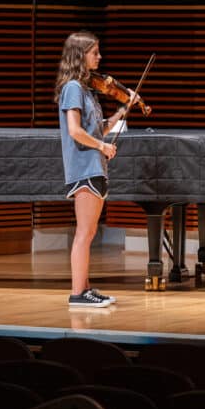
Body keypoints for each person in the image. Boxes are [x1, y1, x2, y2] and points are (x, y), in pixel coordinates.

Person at [55, 31, 132, 308]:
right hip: (84, 167)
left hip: (94, 166)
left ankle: (85, 287)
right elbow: (75, 131)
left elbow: (96, 128)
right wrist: (102, 147)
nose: (99, 57)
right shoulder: (73, 89)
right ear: (80, 55)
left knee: (88, 233)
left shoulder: (86, 89)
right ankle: (78, 293)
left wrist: (123, 110)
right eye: (94, 52)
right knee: (85, 233)